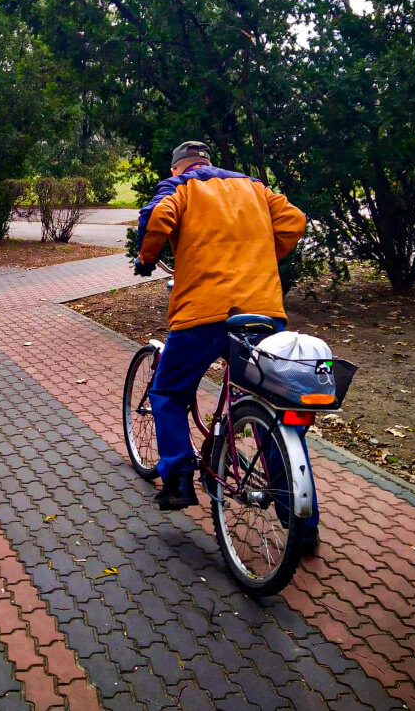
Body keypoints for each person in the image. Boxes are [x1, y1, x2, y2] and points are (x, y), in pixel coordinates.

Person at [135, 140, 321, 546]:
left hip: (202, 315)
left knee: (167, 393)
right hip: (262, 311)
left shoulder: (180, 187)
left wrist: (146, 258)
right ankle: (301, 524)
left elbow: (157, 219)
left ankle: (178, 476)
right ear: (208, 161)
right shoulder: (254, 187)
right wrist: (261, 257)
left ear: (177, 167)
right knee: (268, 405)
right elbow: (294, 220)